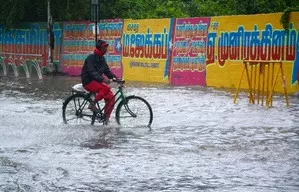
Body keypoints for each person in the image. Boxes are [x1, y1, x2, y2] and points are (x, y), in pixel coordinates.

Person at [80, 39, 117, 124]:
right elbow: (91, 71)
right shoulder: (91, 57)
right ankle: (92, 104)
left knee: (111, 97)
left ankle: (106, 119)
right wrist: (102, 79)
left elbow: (107, 71)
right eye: (104, 47)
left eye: (106, 47)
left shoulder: (102, 59)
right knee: (105, 87)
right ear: (100, 48)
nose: (106, 49)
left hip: (97, 82)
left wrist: (116, 78)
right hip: (88, 81)